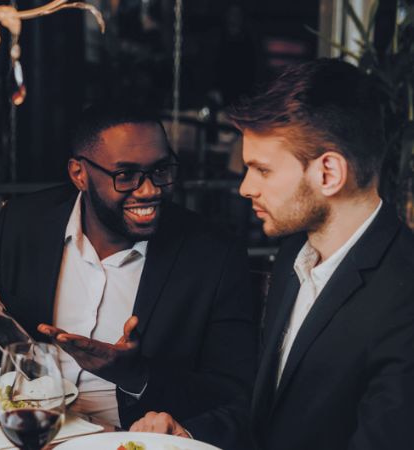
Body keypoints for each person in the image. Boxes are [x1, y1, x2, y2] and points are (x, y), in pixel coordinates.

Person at [130, 58, 414, 450]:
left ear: (328, 173)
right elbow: (271, 413)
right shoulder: (292, 257)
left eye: (261, 170)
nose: (245, 187)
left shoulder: (405, 297)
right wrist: (189, 436)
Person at [0, 102, 257, 427]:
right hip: (20, 426)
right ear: (79, 174)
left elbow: (233, 391)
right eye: (126, 175)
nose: (149, 190)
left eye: (161, 170)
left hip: (126, 437)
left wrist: (136, 375)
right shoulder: (22, 221)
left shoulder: (213, 255)